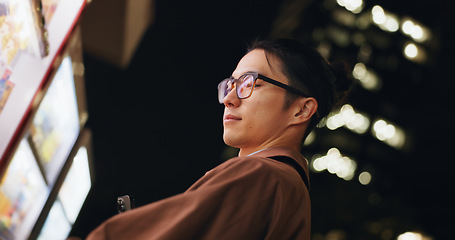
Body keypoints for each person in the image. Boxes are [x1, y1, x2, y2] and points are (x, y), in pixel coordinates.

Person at [79, 38, 351, 240]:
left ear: (302, 109)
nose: (229, 100)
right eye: (230, 85)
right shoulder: (287, 187)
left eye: (250, 84)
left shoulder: (263, 176)